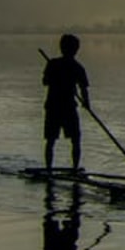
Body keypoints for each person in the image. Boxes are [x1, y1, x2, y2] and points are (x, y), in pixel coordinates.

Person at [41, 33, 91, 170]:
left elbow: (83, 88)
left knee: (74, 139)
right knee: (52, 139)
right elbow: (45, 82)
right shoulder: (56, 65)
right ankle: (49, 169)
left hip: (67, 107)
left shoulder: (73, 67)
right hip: (55, 107)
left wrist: (86, 103)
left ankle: (74, 168)